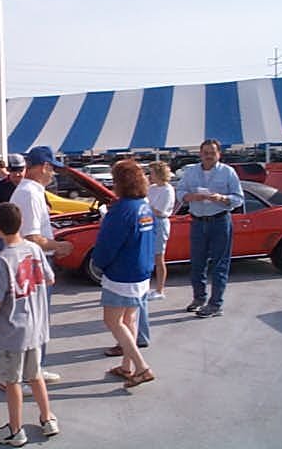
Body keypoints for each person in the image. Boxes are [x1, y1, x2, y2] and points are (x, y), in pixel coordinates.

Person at [0, 203, 59, 446]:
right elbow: (50, 279)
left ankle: (15, 429)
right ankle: (47, 418)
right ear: (20, 223)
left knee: (12, 381)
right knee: (35, 374)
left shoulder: (1, 260)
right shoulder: (34, 249)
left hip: (13, 331)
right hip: (36, 325)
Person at [9, 146, 73, 385]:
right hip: (32, 263)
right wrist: (60, 246)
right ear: (44, 167)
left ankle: (32, 369)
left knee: (34, 319)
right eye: (52, 169)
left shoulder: (28, 191)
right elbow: (33, 237)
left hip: (30, 261)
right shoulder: (30, 193)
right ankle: (29, 374)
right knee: (34, 320)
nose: (53, 174)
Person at [93, 159, 156, 388]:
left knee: (112, 320)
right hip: (142, 271)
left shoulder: (121, 211)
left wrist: (99, 263)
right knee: (129, 319)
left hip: (122, 274)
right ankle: (127, 366)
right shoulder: (144, 207)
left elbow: (107, 245)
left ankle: (141, 367)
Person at [176, 139, 243, 317]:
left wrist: (222, 198)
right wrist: (190, 197)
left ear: (219, 154)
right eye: (205, 152)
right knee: (197, 263)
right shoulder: (191, 171)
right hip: (198, 222)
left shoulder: (228, 172)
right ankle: (199, 298)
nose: (208, 156)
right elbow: (179, 192)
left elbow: (239, 198)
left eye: (212, 152)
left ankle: (215, 305)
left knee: (220, 264)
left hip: (219, 221)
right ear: (200, 154)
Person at [147, 161, 175, 300]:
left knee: (158, 258)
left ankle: (159, 290)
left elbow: (159, 210)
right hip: (148, 221)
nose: (150, 175)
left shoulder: (167, 190)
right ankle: (145, 287)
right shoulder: (152, 188)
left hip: (159, 222)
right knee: (146, 256)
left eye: (152, 173)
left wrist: (145, 206)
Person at [0, 153, 26, 255]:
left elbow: (47, 207)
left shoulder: (31, 186)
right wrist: (7, 211)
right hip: (4, 231)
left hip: (26, 230)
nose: (17, 174)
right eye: (14, 170)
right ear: (8, 170)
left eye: (20, 170)